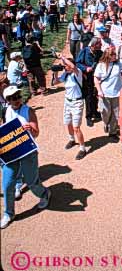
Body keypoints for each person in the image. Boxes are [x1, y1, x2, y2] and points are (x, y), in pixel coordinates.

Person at [1, 86, 51, 229]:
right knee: (7, 184)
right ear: (7, 100)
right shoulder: (6, 111)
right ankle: (9, 213)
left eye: (17, 96)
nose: (16, 100)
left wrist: (31, 128)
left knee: (31, 182)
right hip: (12, 153)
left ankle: (45, 193)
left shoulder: (28, 110)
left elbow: (36, 133)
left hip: (28, 151)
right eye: (11, 98)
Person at [52, 54, 87, 160]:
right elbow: (55, 82)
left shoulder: (77, 73)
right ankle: (72, 140)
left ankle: (82, 148)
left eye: (65, 65)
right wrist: (56, 71)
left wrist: (62, 57)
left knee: (76, 127)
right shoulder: (66, 75)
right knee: (68, 123)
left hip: (77, 103)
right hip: (67, 102)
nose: (64, 67)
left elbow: (73, 66)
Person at [94, 46, 122, 140]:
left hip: (117, 92)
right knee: (105, 112)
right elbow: (96, 78)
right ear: (108, 55)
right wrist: (99, 90)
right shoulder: (101, 65)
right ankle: (106, 123)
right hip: (105, 93)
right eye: (113, 54)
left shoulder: (118, 64)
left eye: (115, 54)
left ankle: (112, 132)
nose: (115, 55)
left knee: (115, 113)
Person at [76, 37, 102, 127]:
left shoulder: (99, 52)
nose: (101, 45)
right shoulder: (84, 51)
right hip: (87, 78)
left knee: (96, 94)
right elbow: (78, 63)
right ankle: (88, 116)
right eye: (99, 44)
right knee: (89, 96)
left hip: (98, 77)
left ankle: (95, 111)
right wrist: (85, 68)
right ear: (94, 45)